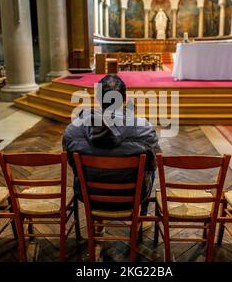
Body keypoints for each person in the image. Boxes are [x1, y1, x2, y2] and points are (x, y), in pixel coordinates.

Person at [63, 74, 161, 215]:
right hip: (133, 196)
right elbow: (154, 164)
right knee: (150, 169)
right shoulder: (143, 128)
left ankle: (97, 222)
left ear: (98, 98)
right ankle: (140, 217)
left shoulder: (73, 130)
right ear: (125, 98)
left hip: (90, 196)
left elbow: (72, 163)